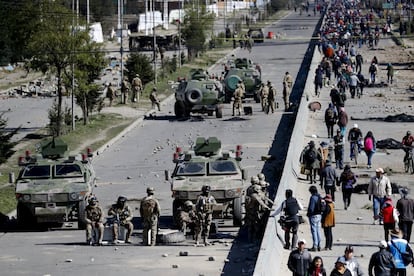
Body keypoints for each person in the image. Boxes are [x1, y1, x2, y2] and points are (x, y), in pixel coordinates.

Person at [307, 185, 323, 252]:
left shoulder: (313, 197)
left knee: (314, 231)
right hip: (319, 215)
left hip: (313, 216)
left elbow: (311, 208)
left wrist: (308, 214)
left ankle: (315, 246)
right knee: (318, 230)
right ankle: (319, 245)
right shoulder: (319, 196)